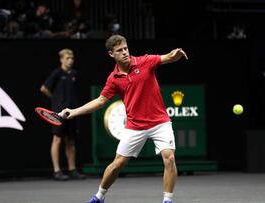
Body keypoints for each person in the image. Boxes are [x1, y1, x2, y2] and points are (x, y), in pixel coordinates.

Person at [59, 35, 188, 203]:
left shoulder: (145, 61)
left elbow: (167, 57)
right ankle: (99, 196)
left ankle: (167, 200)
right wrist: (74, 112)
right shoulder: (113, 79)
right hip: (134, 126)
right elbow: (100, 101)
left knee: (169, 157)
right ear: (111, 54)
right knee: (118, 163)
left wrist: (175, 55)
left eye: (126, 48)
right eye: (120, 50)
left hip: (160, 122)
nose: (125, 52)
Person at [40, 48, 86, 181]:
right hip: (59, 113)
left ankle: (72, 170)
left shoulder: (74, 74)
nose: (70, 60)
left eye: (72, 58)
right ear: (61, 60)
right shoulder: (57, 73)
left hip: (72, 112)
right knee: (57, 139)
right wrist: (55, 99)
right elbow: (44, 88)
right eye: (67, 58)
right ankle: (57, 171)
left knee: (70, 141)